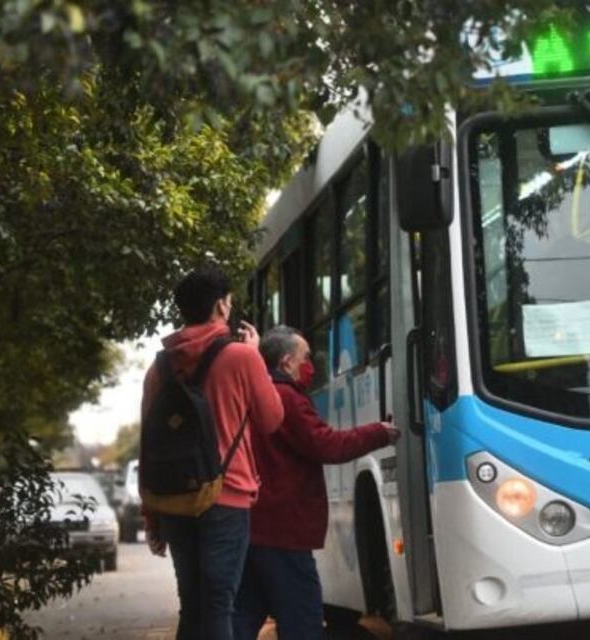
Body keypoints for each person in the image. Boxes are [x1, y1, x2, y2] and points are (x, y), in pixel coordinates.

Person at [141, 266, 284, 640]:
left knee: (192, 605)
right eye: (230, 302)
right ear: (221, 306)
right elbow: (272, 419)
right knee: (220, 604)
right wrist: (256, 357)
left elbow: (149, 445)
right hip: (227, 494)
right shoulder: (242, 357)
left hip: (175, 499)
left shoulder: (158, 368)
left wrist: (151, 517)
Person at [233, 326, 400, 640]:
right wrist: (378, 432)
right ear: (286, 361)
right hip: (285, 531)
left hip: (255, 528)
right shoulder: (286, 397)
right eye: (306, 357)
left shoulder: (256, 394)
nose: (311, 365)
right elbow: (326, 445)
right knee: (302, 623)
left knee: (242, 620)